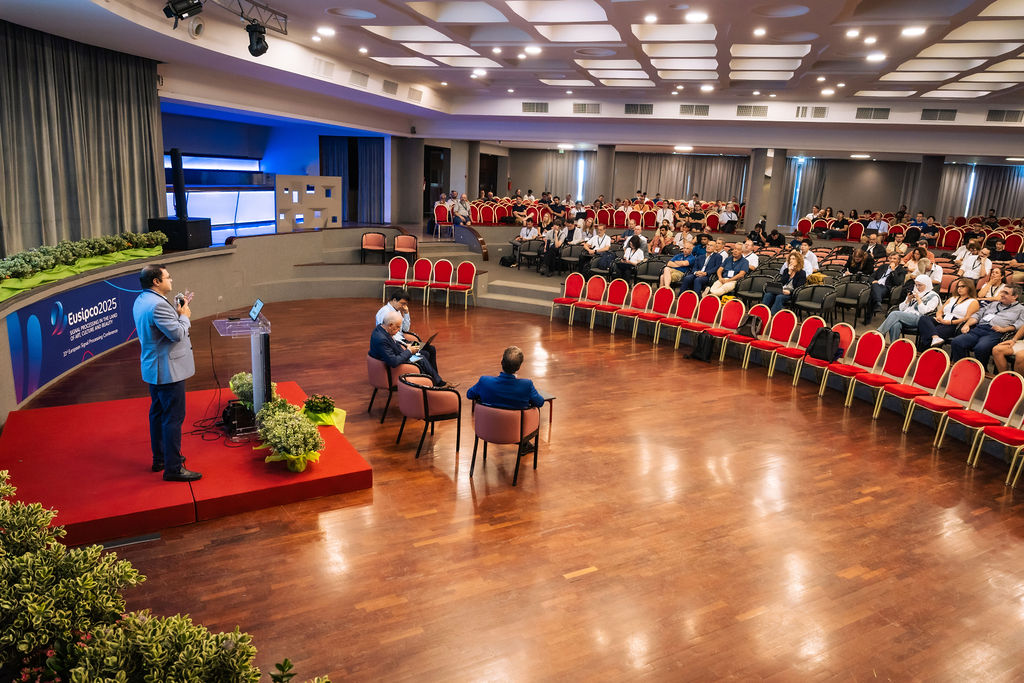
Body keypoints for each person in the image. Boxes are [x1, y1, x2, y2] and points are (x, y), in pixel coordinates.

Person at [133, 264, 200, 482]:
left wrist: (177, 311)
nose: (171, 280)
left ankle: (161, 458)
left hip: (154, 368)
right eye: (168, 277)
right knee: (173, 418)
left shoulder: (142, 300)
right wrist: (184, 315)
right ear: (156, 281)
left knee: (158, 414)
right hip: (168, 371)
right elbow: (177, 334)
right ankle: (173, 468)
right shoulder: (158, 306)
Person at [950, 285, 1024, 367]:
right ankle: (963, 367)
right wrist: (967, 325)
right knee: (957, 342)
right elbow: (978, 315)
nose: (1002, 294)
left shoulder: (1021, 309)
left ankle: (981, 370)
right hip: (979, 329)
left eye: (1006, 293)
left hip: (995, 332)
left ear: (1015, 296)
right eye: (1002, 292)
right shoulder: (993, 304)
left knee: (981, 348)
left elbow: (1020, 324)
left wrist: (1005, 329)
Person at [370, 310, 445, 386]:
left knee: (423, 355)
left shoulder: (382, 329)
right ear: (390, 325)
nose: (399, 330)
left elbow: (395, 346)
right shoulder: (382, 339)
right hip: (395, 364)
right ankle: (436, 383)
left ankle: (432, 381)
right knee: (421, 358)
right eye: (397, 327)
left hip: (400, 354)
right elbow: (394, 362)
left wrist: (407, 348)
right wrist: (409, 351)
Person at [466, 346, 545, 410]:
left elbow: (469, 394)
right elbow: (540, 402)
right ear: (519, 367)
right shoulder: (526, 385)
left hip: (488, 424)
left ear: (501, 362)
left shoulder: (484, 381)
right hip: (516, 425)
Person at [917, 279, 979, 351]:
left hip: (955, 323)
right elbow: (940, 311)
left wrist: (951, 322)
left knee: (929, 331)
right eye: (958, 287)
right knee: (924, 318)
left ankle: (923, 351)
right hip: (943, 318)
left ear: (969, 287)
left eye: (962, 286)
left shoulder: (973, 301)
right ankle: (935, 337)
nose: (959, 288)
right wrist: (939, 317)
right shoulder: (952, 298)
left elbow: (967, 318)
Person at [876, 275, 941, 343]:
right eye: (916, 285)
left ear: (927, 285)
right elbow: (901, 309)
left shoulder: (933, 296)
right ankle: (894, 345)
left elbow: (924, 311)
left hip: (921, 319)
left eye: (920, 285)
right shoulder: (915, 292)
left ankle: (879, 333)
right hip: (907, 316)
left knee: (895, 314)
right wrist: (908, 300)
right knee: (895, 324)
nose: (917, 287)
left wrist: (918, 300)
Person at [866, 253, 907, 324]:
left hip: (887, 289)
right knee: (874, 287)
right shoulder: (883, 266)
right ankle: (878, 302)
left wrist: (893, 271)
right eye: (891, 258)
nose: (892, 260)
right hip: (876, 286)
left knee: (872, 293)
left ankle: (868, 317)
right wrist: (872, 281)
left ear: (899, 260)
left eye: (894, 259)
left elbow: (898, 283)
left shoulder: (901, 270)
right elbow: (872, 276)